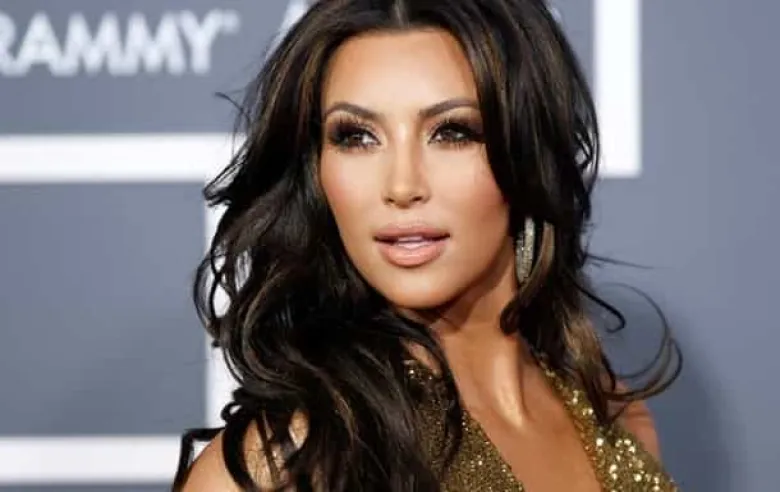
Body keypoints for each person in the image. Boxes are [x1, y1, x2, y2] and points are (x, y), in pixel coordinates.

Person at [173, 0, 681, 490]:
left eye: (452, 132)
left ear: (528, 155)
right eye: (356, 136)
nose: (402, 185)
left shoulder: (615, 415)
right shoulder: (285, 467)